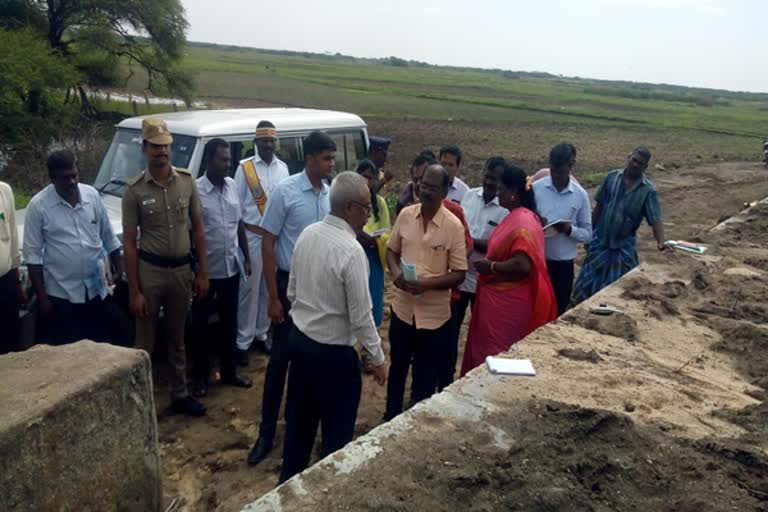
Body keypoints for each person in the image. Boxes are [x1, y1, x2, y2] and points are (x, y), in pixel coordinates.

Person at [279, 172, 389, 483]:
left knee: (298, 430)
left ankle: (287, 489)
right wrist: (379, 361)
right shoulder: (351, 251)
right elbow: (361, 317)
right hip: (334, 358)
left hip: (300, 345)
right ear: (350, 207)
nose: (369, 215)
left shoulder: (308, 234)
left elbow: (292, 292)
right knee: (336, 442)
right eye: (366, 208)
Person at [247, 131, 334, 466]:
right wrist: (272, 297)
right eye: (326, 158)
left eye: (332, 158)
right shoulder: (285, 192)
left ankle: (299, 431)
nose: (331, 164)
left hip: (318, 289)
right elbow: (268, 244)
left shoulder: (328, 196)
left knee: (308, 360)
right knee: (280, 362)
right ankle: (266, 433)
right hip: (286, 286)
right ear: (310, 158)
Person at [122, 117, 210, 417]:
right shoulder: (133, 191)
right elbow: (130, 245)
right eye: (156, 147)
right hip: (151, 272)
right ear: (145, 149)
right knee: (144, 340)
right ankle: (139, 401)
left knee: (177, 337)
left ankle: (180, 394)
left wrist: (203, 272)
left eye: (166, 146)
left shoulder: (187, 181)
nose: (162, 152)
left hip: (182, 272)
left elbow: (198, 229)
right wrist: (134, 291)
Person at [385, 164, 467, 421]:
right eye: (422, 184)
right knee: (397, 368)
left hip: (434, 318)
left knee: (424, 374)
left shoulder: (453, 226)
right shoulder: (406, 216)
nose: (424, 191)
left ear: (444, 190)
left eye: (432, 187)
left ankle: (414, 422)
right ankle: (390, 417)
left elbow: (460, 273)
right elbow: (391, 250)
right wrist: (396, 273)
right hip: (402, 310)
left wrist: (427, 284)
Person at [460, 164, 557, 375]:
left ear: (513, 192)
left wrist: (491, 266)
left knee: (497, 357)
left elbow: (523, 265)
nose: (498, 193)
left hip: (507, 306)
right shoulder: (517, 216)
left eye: (502, 189)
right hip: (497, 301)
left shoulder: (523, 221)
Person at [23, 149, 122, 346]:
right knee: (68, 355)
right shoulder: (38, 206)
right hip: (61, 297)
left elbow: (108, 236)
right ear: (52, 178)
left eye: (74, 175)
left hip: (96, 291)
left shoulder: (92, 196)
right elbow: (33, 257)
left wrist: (119, 266)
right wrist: (43, 300)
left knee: (99, 347)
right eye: (65, 178)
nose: (72, 182)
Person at [190, 139, 253, 397]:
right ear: (209, 161)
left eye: (228, 160)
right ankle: (201, 377)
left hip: (231, 268)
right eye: (223, 160)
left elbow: (239, 225)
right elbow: (190, 232)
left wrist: (246, 257)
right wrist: (196, 270)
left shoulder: (231, 187)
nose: (227, 164)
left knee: (230, 322)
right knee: (201, 327)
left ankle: (229, 371)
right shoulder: (195, 191)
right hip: (206, 272)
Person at [572, 147, 666, 304]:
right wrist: (588, 234)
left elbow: (655, 219)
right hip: (599, 243)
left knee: (615, 294)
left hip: (622, 249)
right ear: (628, 157)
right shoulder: (611, 178)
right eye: (634, 160)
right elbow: (599, 207)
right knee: (583, 289)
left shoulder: (648, 190)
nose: (635, 165)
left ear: (645, 167)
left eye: (640, 163)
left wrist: (661, 242)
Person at [234, 120, 290, 365]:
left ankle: (261, 333)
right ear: (255, 142)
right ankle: (243, 341)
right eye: (263, 141)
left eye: (271, 141)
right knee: (249, 289)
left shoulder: (284, 169)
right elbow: (236, 207)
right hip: (252, 236)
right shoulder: (245, 168)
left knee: (269, 288)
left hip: (275, 237)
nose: (268, 145)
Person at [454, 156, 509, 346]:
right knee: (452, 329)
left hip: (485, 282)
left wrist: (468, 240)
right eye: (486, 176)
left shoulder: (505, 209)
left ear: (502, 181)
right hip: (459, 277)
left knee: (481, 333)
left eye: (494, 179)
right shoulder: (469, 195)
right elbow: (457, 228)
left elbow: (498, 246)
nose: (488, 182)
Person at [533, 144, 592, 316]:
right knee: (533, 313)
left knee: (556, 314)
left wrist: (569, 229)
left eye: (560, 170)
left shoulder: (580, 195)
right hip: (537, 264)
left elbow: (588, 235)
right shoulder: (537, 188)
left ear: (571, 164)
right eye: (553, 169)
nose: (556, 175)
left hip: (562, 269)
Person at [355, 159, 391, 327]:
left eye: (371, 178)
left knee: (373, 296)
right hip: (354, 254)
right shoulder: (348, 201)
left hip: (374, 256)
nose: (367, 182)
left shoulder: (380, 203)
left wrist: (375, 241)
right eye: (364, 177)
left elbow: (387, 233)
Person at [0, 180, 24, 353]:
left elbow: (13, 238)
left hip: (6, 281)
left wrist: (17, 284)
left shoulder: (4, 190)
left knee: (9, 343)